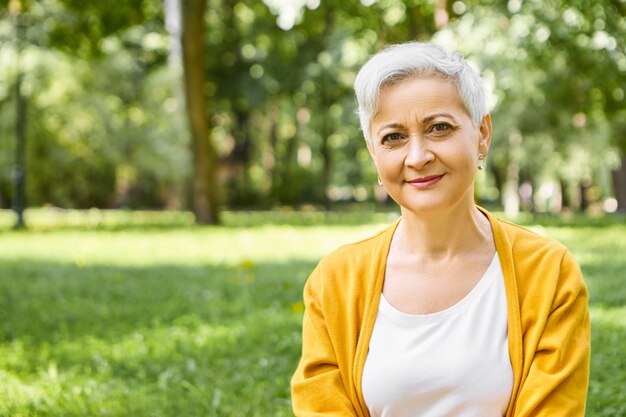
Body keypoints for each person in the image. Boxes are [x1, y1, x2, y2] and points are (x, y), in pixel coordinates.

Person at [290, 42, 590, 417]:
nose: (417, 157)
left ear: (482, 133)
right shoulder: (334, 281)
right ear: (373, 152)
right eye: (393, 137)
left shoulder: (550, 273)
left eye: (439, 128)